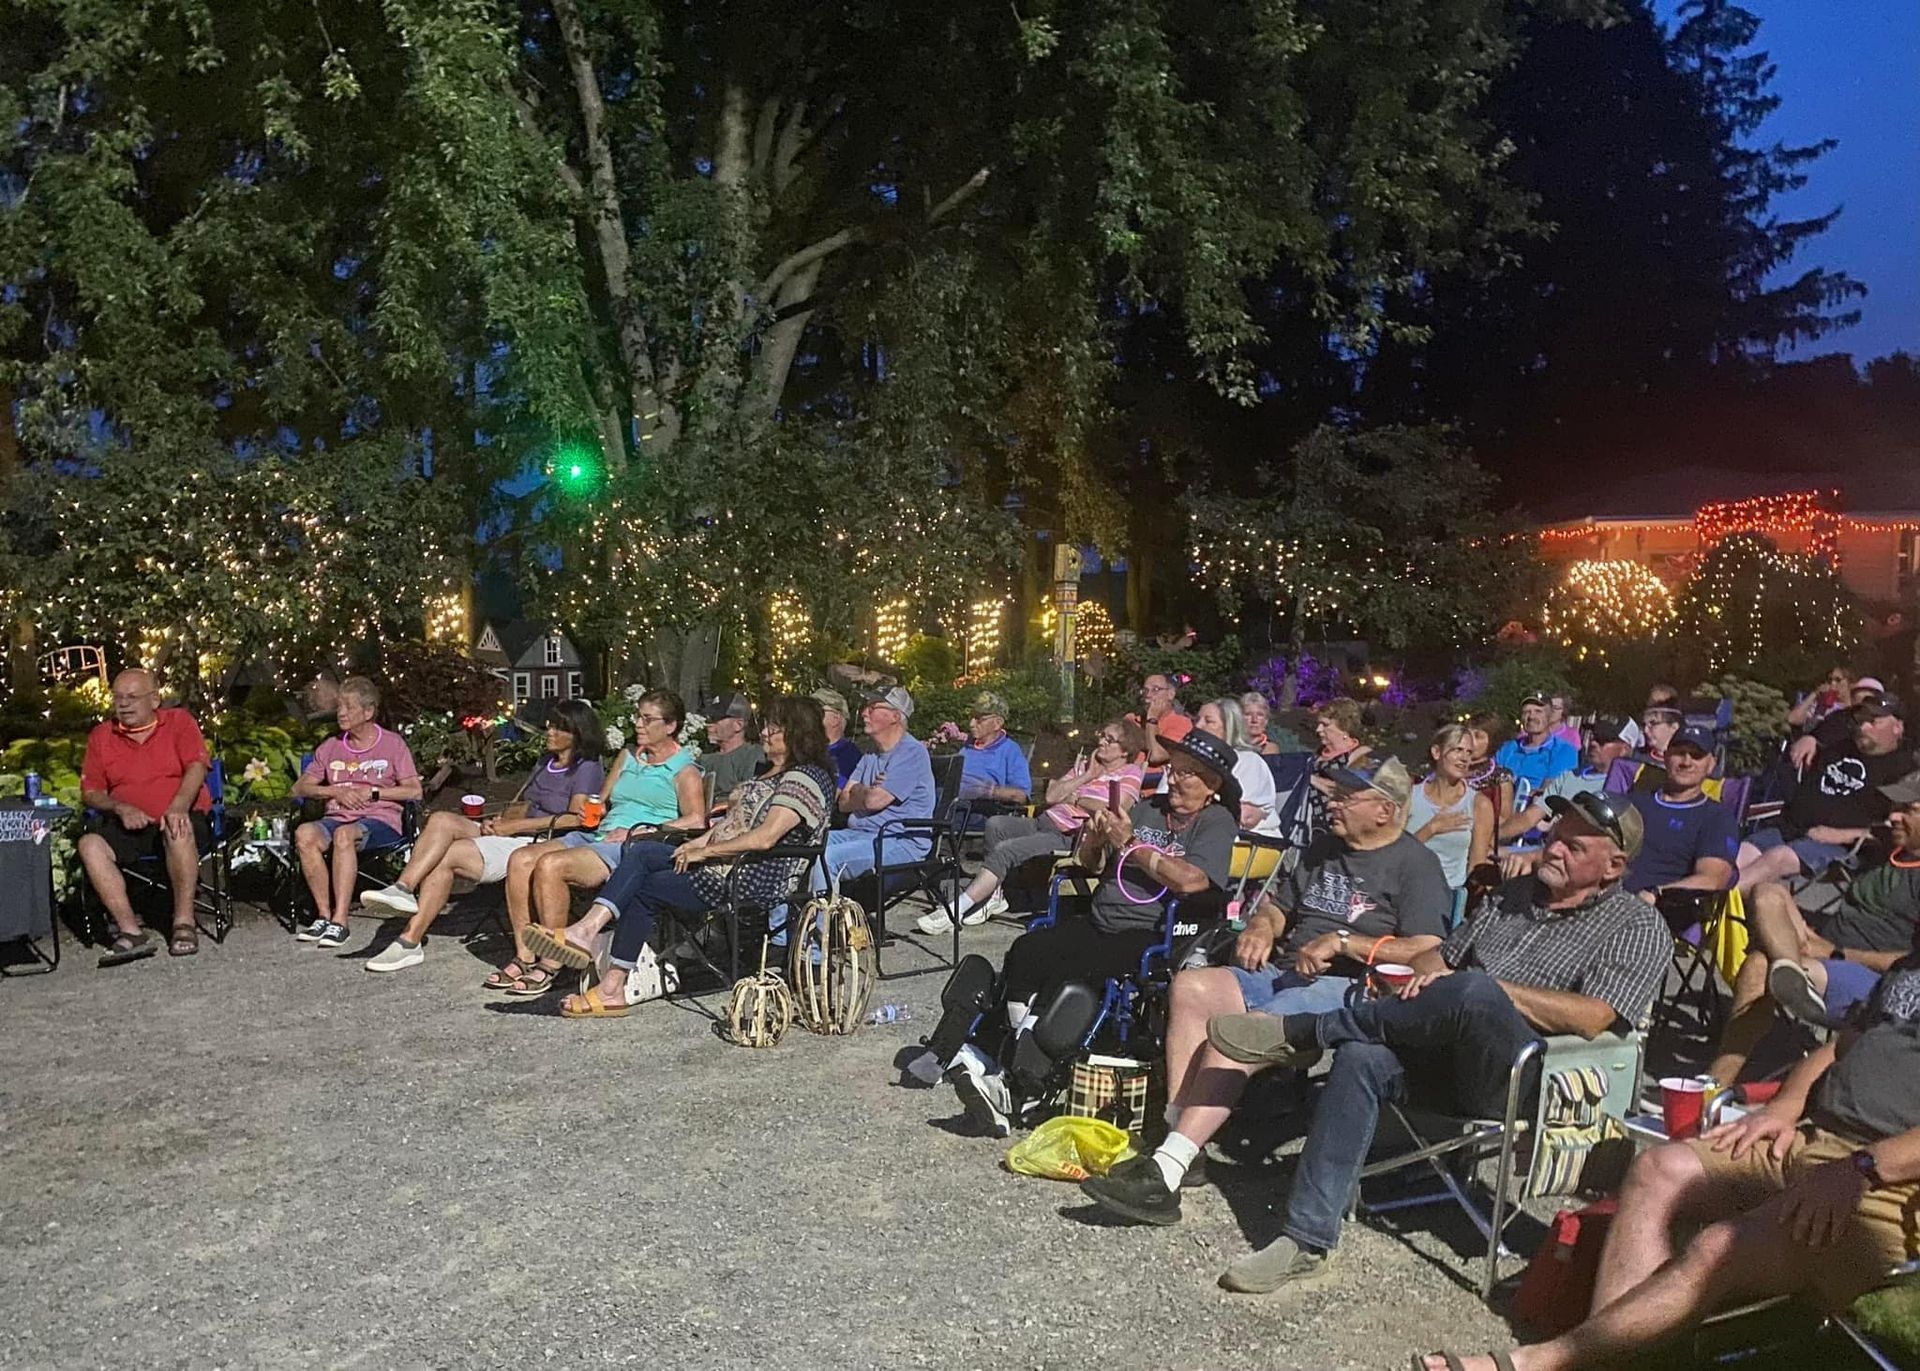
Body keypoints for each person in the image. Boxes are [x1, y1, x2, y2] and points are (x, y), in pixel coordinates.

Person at [1201, 790, 1668, 1295]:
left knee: (1473, 988)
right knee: (1363, 1057)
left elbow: (1594, 1017)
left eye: (1574, 847)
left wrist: (1484, 991)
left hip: (1524, 1076)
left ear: (1614, 866)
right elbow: (1441, 959)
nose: (1553, 850)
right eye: (1554, 837)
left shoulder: (1636, 926)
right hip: (1440, 1050)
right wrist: (1420, 976)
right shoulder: (1512, 898)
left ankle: (1304, 1033)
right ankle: (1306, 1241)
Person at [1415, 951, 1920, 1371]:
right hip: (1812, 1140)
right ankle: (1610, 1358)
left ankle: (1540, 1362)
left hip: (1884, 1182)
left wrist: (1864, 1168)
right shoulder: (1906, 968)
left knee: (1719, 1246)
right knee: (1659, 1169)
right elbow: (1840, 1049)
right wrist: (1785, 1107)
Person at [1079, 757, 1450, 1224]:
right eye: (1333, 792)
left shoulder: (1416, 865)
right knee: (1192, 987)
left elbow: (1425, 949)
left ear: (1385, 810)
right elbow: (1278, 906)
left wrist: (1344, 942)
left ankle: (1164, 1174)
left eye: (1345, 796)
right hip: (1283, 971)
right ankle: (1181, 1142)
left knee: (1237, 1034)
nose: (1331, 802)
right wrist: (1261, 927)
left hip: (1348, 987)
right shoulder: (1323, 849)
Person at [942, 730, 1242, 1137]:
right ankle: (1004, 1054)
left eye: (1189, 773)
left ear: (1213, 784)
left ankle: (1022, 1084)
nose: (1176, 778)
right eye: (1174, 768)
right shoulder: (1148, 808)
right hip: (1102, 919)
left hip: (1152, 932)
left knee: (1077, 974)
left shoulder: (1215, 821)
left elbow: (1191, 881)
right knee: (1029, 949)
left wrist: (1132, 844)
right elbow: (1090, 862)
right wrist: (1097, 839)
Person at [536, 696, 837, 1017]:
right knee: (644, 853)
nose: (763, 733)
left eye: (772, 727)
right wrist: (697, 845)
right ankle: (596, 955)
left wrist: (704, 851)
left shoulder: (804, 778)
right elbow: (729, 826)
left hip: (748, 878)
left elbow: (765, 839)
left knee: (644, 882)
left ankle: (599, 960)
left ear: (796, 731)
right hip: (723, 865)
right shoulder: (771, 773)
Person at [358, 700, 607, 972]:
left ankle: (409, 940)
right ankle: (403, 888)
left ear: (578, 733)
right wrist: (499, 822)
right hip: (518, 832)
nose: (550, 732)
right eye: (550, 725)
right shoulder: (545, 762)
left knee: (447, 856)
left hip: (543, 841)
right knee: (441, 819)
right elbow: (527, 805)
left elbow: (573, 818)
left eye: (560, 728)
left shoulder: (586, 767)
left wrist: (513, 828)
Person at [1710, 773, 1920, 1084]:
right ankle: (1792, 969)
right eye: (1894, 807)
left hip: (1872, 979)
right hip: (1821, 950)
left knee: (1758, 966)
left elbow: (1912, 966)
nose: (1893, 817)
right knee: (1767, 892)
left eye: (1908, 809)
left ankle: (1713, 1085)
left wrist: (1837, 952)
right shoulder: (1884, 852)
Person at [493, 689, 704, 997]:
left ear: (670, 726)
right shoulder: (628, 756)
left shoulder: (684, 771)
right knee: (521, 859)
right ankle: (525, 955)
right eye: (637, 717)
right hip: (599, 833)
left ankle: (553, 963)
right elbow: (601, 800)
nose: (638, 725)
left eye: (647, 719)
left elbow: (697, 820)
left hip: (630, 845)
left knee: (551, 865)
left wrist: (642, 832)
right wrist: (592, 808)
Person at [916, 717, 1148, 935]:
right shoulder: (1089, 765)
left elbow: (1113, 809)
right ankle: (994, 894)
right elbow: (1052, 795)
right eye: (1102, 736)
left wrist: (1076, 799)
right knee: (997, 825)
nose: (1101, 742)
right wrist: (1086, 777)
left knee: (1006, 850)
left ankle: (954, 911)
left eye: (1109, 739)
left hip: (1069, 835)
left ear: (1125, 750)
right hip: (1044, 821)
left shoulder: (1130, 774)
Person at [77, 669, 215, 963]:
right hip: (130, 824)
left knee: (177, 826)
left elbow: (197, 766)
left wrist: (178, 805)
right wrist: (119, 807)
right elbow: (91, 792)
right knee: (90, 845)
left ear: (154, 699)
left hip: (180, 819)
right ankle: (130, 931)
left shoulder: (178, 722)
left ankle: (183, 924)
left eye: (132, 697)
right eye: (118, 697)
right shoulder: (102, 736)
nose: (123, 704)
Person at [289, 676, 422, 950]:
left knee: (344, 836)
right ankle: (324, 916)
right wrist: (334, 792)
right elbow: (299, 787)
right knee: (305, 834)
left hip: (380, 820)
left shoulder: (393, 745)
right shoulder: (331, 746)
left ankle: (341, 921)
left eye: (348, 707)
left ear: (368, 711)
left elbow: (414, 791)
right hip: (336, 817)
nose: (341, 713)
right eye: (339, 706)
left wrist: (373, 792)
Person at [1737, 690, 1912, 894]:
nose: (1863, 727)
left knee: (1777, 859)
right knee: (1740, 856)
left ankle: (1708, 906)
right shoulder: (1839, 746)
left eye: (1874, 721)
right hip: (1790, 828)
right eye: (1861, 719)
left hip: (1839, 847)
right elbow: (1831, 721)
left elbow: (1898, 827)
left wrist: (1842, 835)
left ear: (1897, 727)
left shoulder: (1904, 769)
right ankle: (1721, 911)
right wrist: (1811, 738)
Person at [810, 686, 936, 896]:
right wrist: (866, 790)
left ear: (895, 716)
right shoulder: (870, 752)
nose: (864, 713)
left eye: (873, 707)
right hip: (860, 834)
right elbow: (842, 803)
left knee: (828, 858)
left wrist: (859, 793)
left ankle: (822, 927)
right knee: (803, 845)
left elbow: (872, 802)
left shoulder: (911, 752)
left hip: (899, 840)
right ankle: (783, 924)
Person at [1621, 724, 1738, 900]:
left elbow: (1713, 879)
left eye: (1696, 756)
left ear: (1711, 764)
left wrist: (1657, 893)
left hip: (1660, 910)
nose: (1686, 762)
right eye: (1679, 753)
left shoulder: (1717, 817)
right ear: (1666, 756)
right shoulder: (1634, 802)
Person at [1499, 717, 1633, 845]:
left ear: (1624, 750)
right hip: (1543, 848)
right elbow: (1529, 817)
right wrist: (1492, 838)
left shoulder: (1624, 788)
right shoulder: (1569, 776)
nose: (1593, 743)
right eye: (1594, 736)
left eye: (1603, 740)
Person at [1407, 724, 1496, 892]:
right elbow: (1394, 853)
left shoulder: (1479, 804)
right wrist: (1431, 828)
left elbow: (1476, 868)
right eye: (1457, 750)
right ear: (1436, 752)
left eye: (1469, 752)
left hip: (1447, 893)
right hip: (1405, 887)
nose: (1464, 759)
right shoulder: (1410, 796)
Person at [1192, 697, 1280, 836]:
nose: (1198, 726)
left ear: (1229, 728)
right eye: (1196, 720)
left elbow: (1244, 817)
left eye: (1208, 721)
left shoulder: (1249, 762)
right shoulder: (1185, 758)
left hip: (1247, 843)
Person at [1494, 694, 1579, 808]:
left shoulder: (1563, 751)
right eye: (1526, 712)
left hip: (1534, 813)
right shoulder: (1507, 748)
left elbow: (1549, 793)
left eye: (1538, 711)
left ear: (1549, 717)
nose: (1531, 716)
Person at [956, 690, 1031, 807]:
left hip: (979, 811)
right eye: (971, 717)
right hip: (951, 806)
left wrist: (988, 791)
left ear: (998, 723)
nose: (971, 724)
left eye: (979, 719)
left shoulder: (1010, 751)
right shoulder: (967, 748)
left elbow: (1021, 796)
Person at [698, 692, 765, 802]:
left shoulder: (753, 756)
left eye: (716, 719)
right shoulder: (703, 758)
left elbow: (751, 798)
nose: (708, 724)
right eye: (709, 718)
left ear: (738, 724)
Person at [1134, 673, 1193, 778]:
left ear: (1170, 694)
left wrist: (1152, 718)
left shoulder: (1182, 724)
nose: (1148, 695)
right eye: (1145, 690)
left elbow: (1155, 755)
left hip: (1153, 788)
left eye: (1155, 690)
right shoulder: (1132, 720)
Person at [814, 686, 863, 785]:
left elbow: (834, 792)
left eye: (817, 711)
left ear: (835, 718)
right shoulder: (806, 749)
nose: (809, 715)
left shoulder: (848, 753)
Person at [1788, 664, 1857, 732]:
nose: (1833, 683)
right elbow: (1792, 719)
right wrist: (1815, 694)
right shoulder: (1819, 704)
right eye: (1830, 680)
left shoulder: (1854, 711)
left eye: (1838, 680)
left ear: (1851, 685)